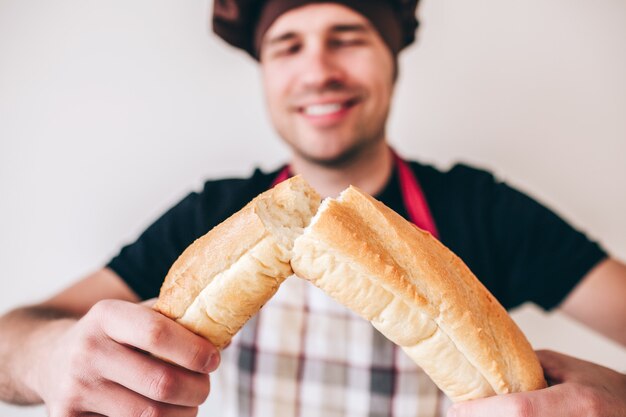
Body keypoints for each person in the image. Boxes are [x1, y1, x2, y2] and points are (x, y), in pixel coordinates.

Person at [1, 0, 625, 416]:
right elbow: (9, 344)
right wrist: (51, 354)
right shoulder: (212, 216)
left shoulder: (486, 213)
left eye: (346, 38)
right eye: (288, 45)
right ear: (266, 73)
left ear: (392, 56)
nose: (318, 70)